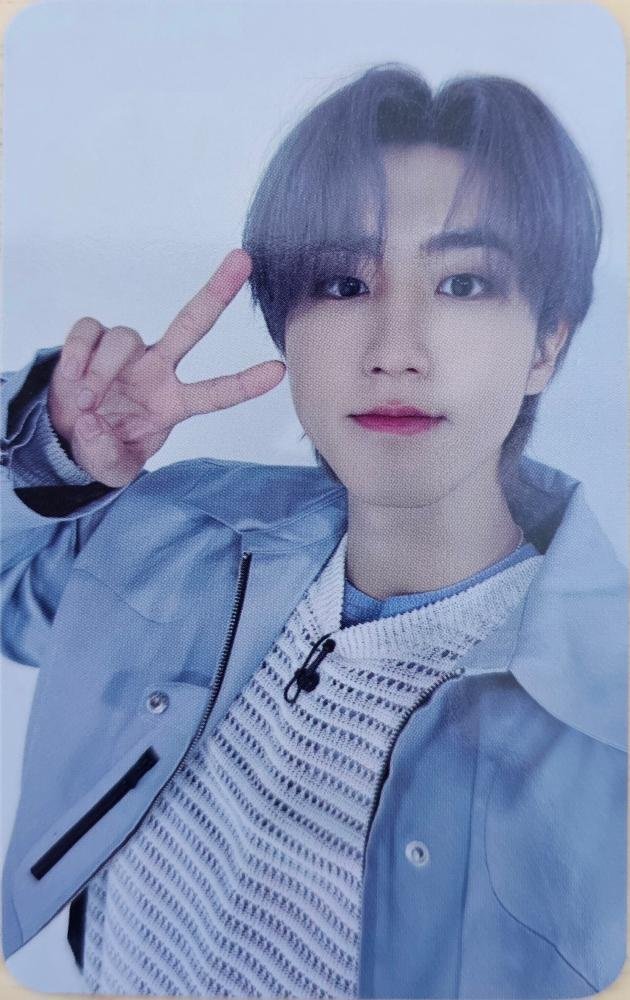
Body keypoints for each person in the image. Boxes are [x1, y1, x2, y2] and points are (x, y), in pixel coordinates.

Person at [1, 65, 626, 999]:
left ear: (548, 341)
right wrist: (48, 454)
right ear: (285, 326)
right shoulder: (178, 526)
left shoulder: (606, 721)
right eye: (343, 283)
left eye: (462, 282)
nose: (395, 349)